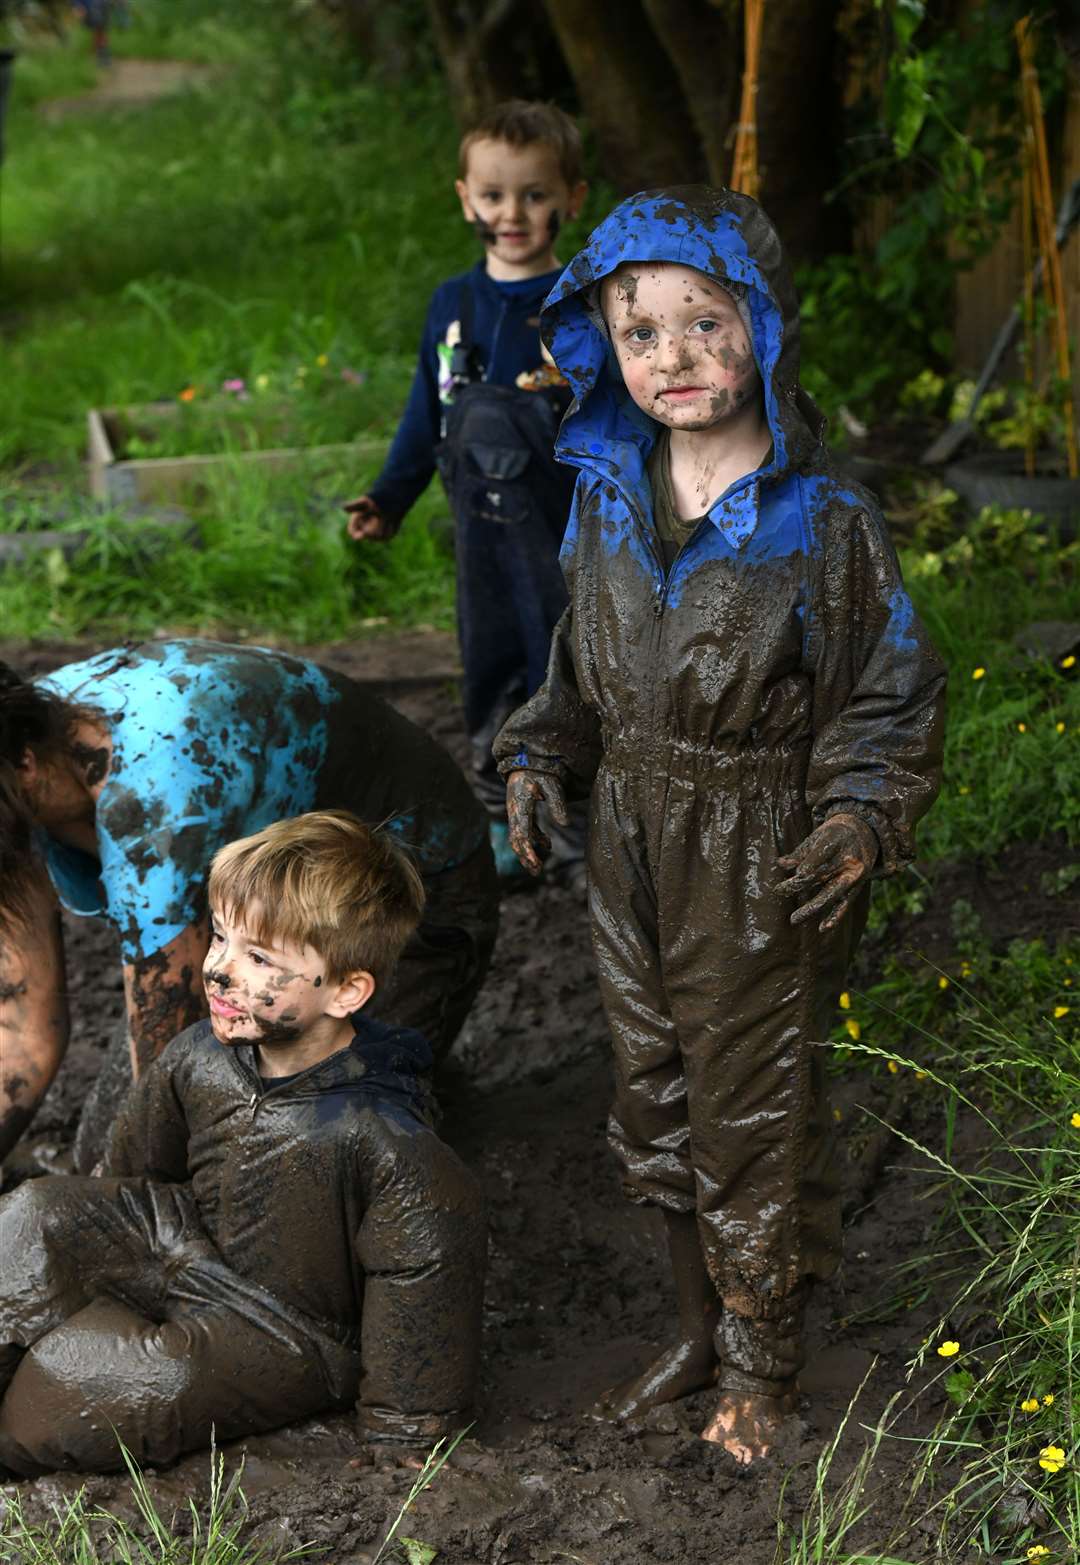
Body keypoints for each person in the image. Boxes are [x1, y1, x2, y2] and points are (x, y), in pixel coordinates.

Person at [494, 186, 947, 1466]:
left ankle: (762, 1363)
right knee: (652, 1092)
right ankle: (696, 1329)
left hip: (759, 849)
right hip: (632, 831)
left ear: (763, 329)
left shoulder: (827, 523)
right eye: (642, 335)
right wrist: (540, 753)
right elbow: (578, 664)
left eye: (705, 324)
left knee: (751, 1101)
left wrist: (858, 811)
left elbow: (892, 685)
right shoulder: (605, 495)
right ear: (603, 348)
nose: (675, 359)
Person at [0, 811, 486, 1474]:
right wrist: (88, 1241)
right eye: (221, 936)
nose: (220, 969)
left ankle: (21, 1416)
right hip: (182, 1240)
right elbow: (131, 1170)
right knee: (31, 1215)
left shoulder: (382, 1135)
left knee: (136, 1378)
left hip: (286, 1326)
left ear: (347, 990)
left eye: (259, 957)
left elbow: (426, 1265)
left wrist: (406, 1425)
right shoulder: (201, 1054)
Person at [0, 639, 498, 1175]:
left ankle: (421, 1077)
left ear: (25, 764)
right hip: (258, 922)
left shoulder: (151, 798)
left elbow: (162, 1064)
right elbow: (21, 1025)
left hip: (408, 904)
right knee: (102, 1146)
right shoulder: (23, 742)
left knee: (302, 1155)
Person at [344, 99, 589, 887]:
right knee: (489, 668)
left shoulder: (584, 308)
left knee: (573, 669)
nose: (511, 214)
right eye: (493, 196)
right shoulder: (453, 306)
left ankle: (588, 828)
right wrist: (389, 496)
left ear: (572, 199)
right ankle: (502, 820)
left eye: (534, 195)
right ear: (465, 199)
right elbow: (426, 413)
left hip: (566, 538)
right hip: (477, 537)